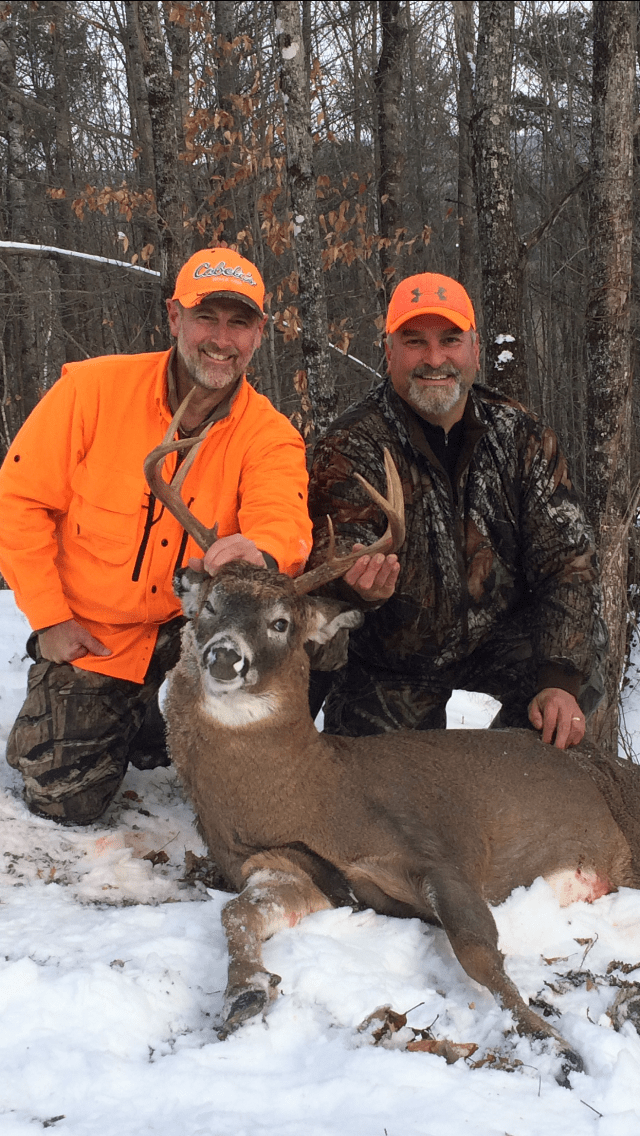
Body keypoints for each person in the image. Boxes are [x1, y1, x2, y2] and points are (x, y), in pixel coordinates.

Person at [0, 248, 312, 824]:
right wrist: (48, 620)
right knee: (63, 799)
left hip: (199, 624)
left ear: (259, 334)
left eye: (238, 322)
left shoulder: (270, 433)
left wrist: (262, 550)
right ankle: (127, 708)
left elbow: (283, 516)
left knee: (316, 634)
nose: (221, 339)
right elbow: (19, 500)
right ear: (174, 318)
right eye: (206, 318)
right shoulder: (90, 393)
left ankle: (244, 742)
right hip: (99, 634)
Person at [308, 272, 606, 749]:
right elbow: (331, 552)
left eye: (450, 340)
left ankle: (513, 765)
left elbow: (568, 565)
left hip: (500, 640)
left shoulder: (522, 437)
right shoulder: (349, 445)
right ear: (388, 352)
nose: (434, 358)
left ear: (475, 349)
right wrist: (357, 584)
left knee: (576, 661)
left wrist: (559, 679)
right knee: (385, 793)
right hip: (392, 659)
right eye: (415, 341)